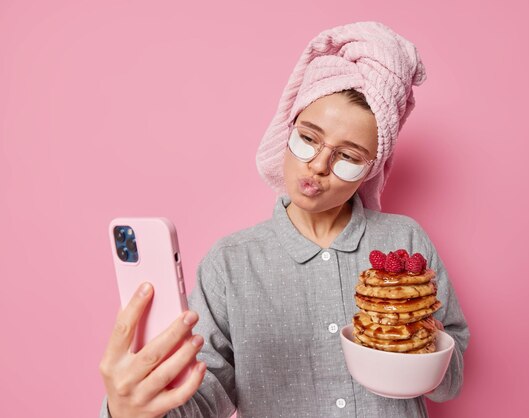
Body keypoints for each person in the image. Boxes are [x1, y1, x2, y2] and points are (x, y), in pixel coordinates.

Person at [99, 21, 470, 418]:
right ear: (287, 127)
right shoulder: (231, 263)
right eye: (308, 138)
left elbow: (452, 375)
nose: (318, 165)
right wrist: (131, 407)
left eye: (348, 157)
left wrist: (412, 344)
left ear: (372, 168)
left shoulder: (406, 239)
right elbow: (202, 400)